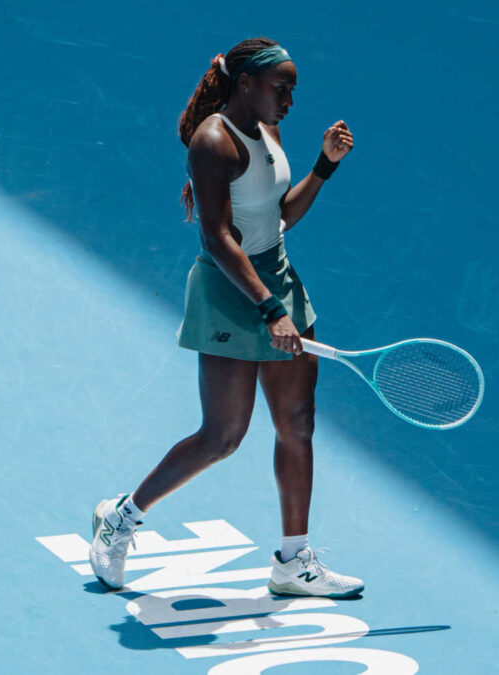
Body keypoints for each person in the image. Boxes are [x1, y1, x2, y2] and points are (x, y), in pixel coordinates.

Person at [88, 38, 362, 598]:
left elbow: (279, 216)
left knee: (298, 423)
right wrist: (268, 310)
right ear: (245, 84)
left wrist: (323, 168)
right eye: (279, 88)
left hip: (276, 282)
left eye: (292, 90)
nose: (288, 99)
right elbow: (217, 239)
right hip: (231, 291)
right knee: (222, 436)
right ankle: (121, 517)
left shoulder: (269, 130)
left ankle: (293, 560)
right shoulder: (213, 142)